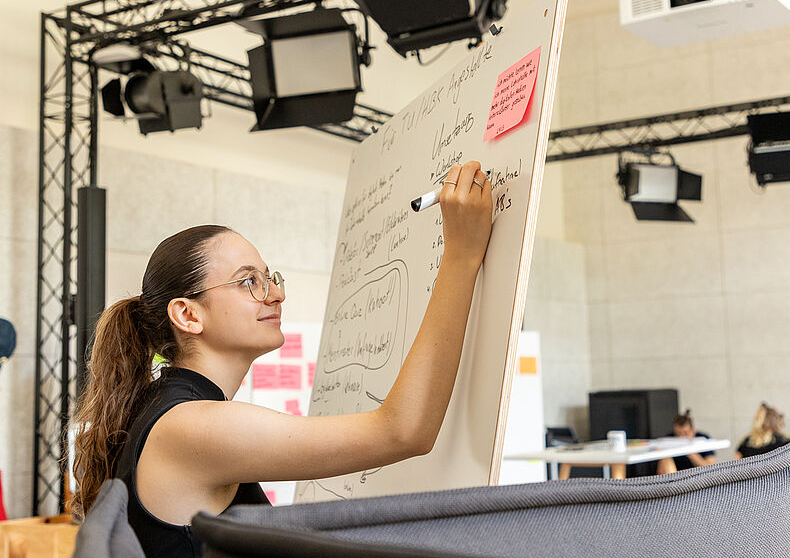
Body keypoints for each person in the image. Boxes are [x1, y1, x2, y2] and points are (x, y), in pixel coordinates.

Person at [71, 161, 493, 557]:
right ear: (187, 314)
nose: (276, 293)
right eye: (248, 281)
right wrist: (462, 255)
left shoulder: (173, 408)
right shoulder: (193, 425)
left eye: (270, 277)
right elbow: (404, 431)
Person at [657, 410, 718, 474]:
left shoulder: (703, 439)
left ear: (693, 431)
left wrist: (690, 452)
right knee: (665, 455)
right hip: (675, 477)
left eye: (685, 433)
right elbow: (660, 472)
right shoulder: (669, 439)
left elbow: (711, 469)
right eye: (678, 434)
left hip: (698, 476)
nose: (681, 437)